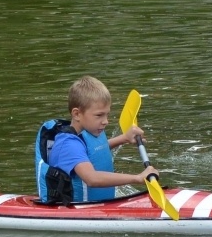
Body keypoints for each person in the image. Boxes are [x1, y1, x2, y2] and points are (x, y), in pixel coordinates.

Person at [35, 76, 159, 204]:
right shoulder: (69, 144)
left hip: (99, 204)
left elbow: (96, 151)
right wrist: (138, 178)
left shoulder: (84, 133)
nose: (106, 121)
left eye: (107, 114)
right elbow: (92, 179)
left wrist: (124, 138)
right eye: (99, 115)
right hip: (78, 212)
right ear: (77, 114)